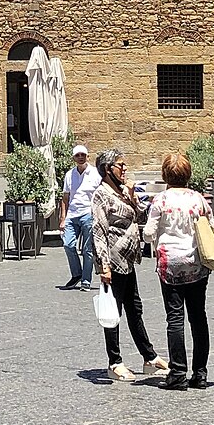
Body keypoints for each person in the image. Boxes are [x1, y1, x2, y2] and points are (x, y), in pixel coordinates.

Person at [90, 150, 167, 380]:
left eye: (124, 165)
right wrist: (103, 265)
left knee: (135, 310)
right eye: (119, 165)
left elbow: (141, 219)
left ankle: (149, 358)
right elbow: (98, 232)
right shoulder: (101, 195)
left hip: (129, 261)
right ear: (107, 169)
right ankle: (114, 362)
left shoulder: (124, 192)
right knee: (113, 313)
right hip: (112, 262)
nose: (124, 169)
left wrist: (133, 196)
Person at [143, 151, 214, 390]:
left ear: (165, 175)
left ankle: (177, 372)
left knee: (175, 318)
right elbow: (211, 227)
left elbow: (148, 233)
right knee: (198, 317)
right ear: (188, 174)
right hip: (196, 262)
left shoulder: (161, 200)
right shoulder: (198, 199)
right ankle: (200, 373)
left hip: (169, 264)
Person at [58, 143, 100, 290]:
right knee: (68, 245)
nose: (80, 157)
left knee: (87, 250)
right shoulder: (69, 175)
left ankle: (86, 280)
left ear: (87, 156)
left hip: (88, 214)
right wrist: (63, 218)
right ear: (74, 157)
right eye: (77, 155)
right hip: (72, 214)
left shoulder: (96, 173)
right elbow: (65, 197)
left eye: (83, 155)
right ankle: (77, 274)